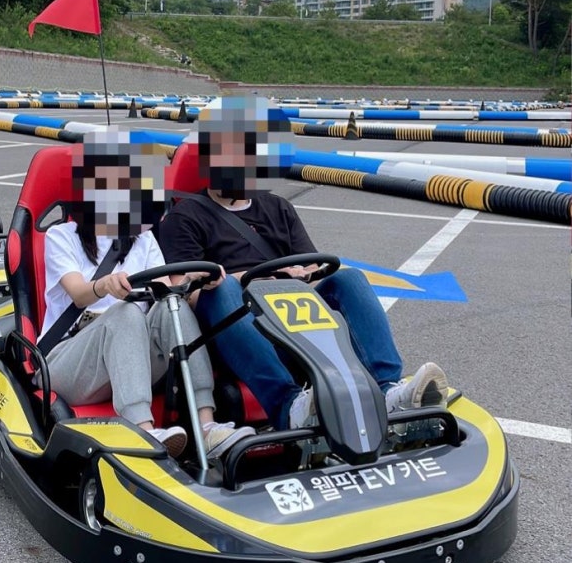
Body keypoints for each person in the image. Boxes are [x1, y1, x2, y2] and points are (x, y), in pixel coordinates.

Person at [156, 97, 448, 458]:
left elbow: (312, 267)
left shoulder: (278, 208)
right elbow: (185, 292)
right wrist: (250, 279)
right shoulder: (185, 217)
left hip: (294, 316)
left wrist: (298, 275)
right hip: (236, 325)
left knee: (350, 279)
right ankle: (289, 405)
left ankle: (388, 389)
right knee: (223, 288)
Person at [39, 132, 251, 460]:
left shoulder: (143, 240)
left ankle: (207, 427)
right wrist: (104, 286)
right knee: (125, 312)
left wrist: (194, 280)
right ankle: (143, 430)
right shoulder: (61, 236)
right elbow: (79, 295)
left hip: (129, 358)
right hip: (70, 359)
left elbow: (166, 288)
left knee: (173, 306)